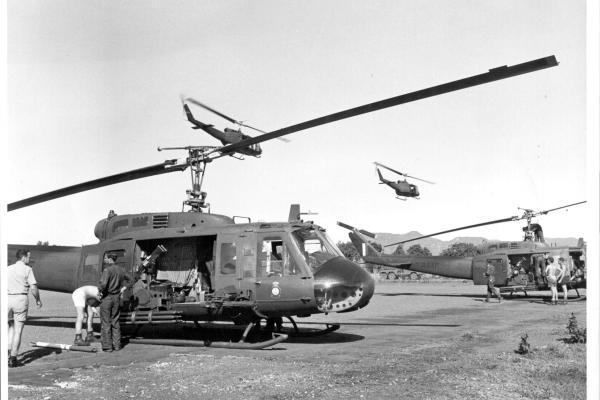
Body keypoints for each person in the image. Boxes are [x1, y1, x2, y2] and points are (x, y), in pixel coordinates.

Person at [7, 249, 42, 368]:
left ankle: (6, 352)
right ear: (23, 257)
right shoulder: (28, 269)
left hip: (6, 298)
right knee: (17, 330)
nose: (29, 259)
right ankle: (13, 358)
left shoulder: (7, 269)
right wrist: (38, 299)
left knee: (9, 327)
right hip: (20, 299)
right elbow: (33, 288)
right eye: (28, 257)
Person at [98, 254, 132, 352]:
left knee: (106, 322)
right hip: (117, 298)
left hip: (107, 298)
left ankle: (107, 347)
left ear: (109, 259)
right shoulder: (121, 270)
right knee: (115, 321)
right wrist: (123, 288)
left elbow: (103, 284)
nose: (104, 260)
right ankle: (117, 345)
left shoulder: (107, 270)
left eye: (105, 258)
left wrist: (98, 291)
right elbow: (131, 280)